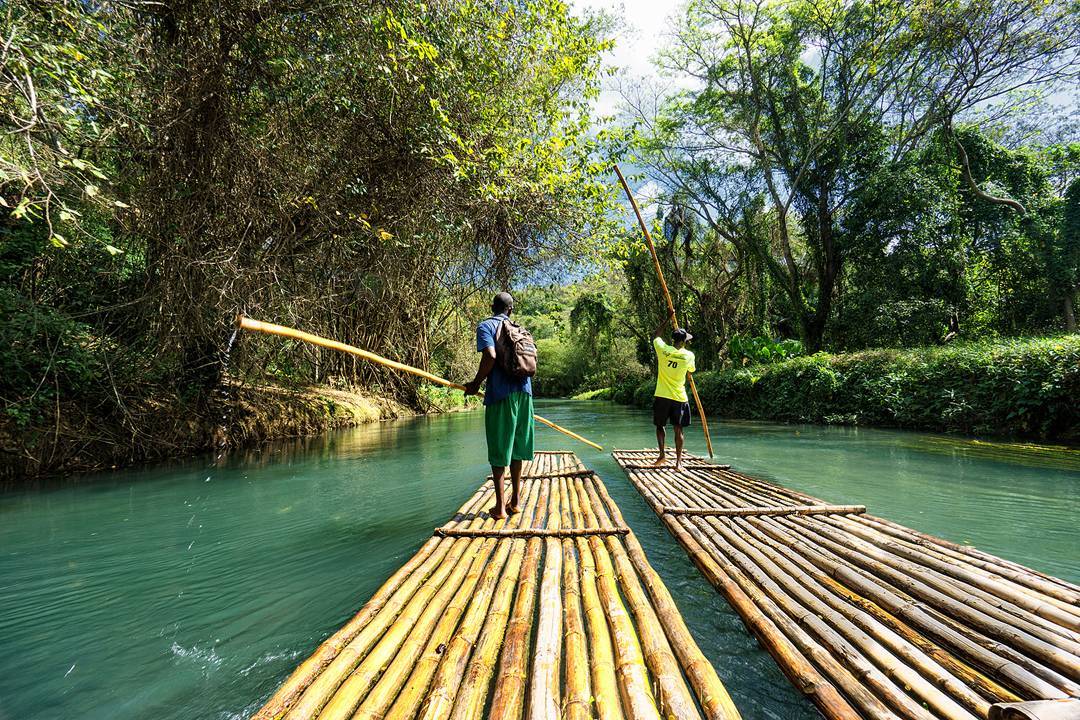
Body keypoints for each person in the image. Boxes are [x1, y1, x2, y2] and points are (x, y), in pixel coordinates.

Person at [463, 292, 534, 519]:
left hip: (501, 396)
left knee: (499, 450)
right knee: (516, 449)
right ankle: (515, 502)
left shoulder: (486, 326)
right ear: (510, 310)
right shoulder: (519, 329)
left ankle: (500, 508)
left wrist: (475, 384)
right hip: (525, 394)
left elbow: (491, 357)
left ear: (492, 306)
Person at [651, 317, 695, 471]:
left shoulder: (663, 350)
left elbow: (656, 335)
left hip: (662, 395)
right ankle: (678, 462)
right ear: (683, 342)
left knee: (659, 426)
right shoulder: (689, 356)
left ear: (673, 340)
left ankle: (662, 455)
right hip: (679, 397)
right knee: (678, 428)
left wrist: (667, 318)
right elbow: (690, 371)